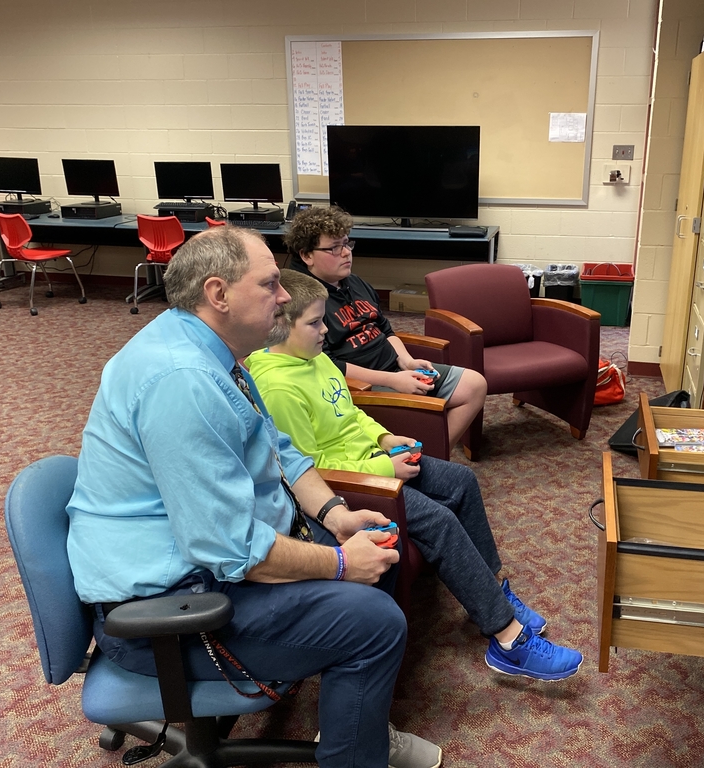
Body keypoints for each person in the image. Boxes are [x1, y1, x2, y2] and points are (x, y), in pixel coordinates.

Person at [66, 227, 441, 768]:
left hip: (203, 565)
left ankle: (356, 727)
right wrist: (338, 563)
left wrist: (334, 516)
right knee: (375, 623)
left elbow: (278, 449)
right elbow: (230, 546)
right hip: (170, 610)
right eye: (270, 284)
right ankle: (358, 748)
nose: (286, 295)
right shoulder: (183, 379)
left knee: (375, 556)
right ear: (218, 295)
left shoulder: (211, 349)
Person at [245, 269, 583, 681]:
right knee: (439, 522)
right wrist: (384, 469)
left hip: (373, 460)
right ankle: (509, 639)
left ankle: (495, 592)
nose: (325, 330)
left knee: (462, 482)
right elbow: (310, 470)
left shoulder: (316, 359)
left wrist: (386, 439)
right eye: (315, 323)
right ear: (281, 325)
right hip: (349, 487)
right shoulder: (278, 386)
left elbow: (351, 415)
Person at [284, 205, 487, 453]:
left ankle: (431, 458)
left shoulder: (354, 282)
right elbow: (327, 364)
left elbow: (384, 328)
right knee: (428, 411)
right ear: (307, 255)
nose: (346, 253)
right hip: (361, 386)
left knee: (475, 385)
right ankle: (425, 462)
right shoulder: (305, 299)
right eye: (335, 248)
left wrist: (407, 362)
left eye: (347, 244)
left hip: (394, 370)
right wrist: (394, 380)